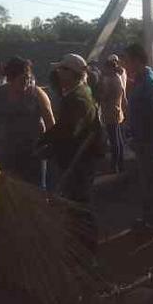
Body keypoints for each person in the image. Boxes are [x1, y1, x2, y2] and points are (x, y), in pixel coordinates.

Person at [39, 53, 102, 254]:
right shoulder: (82, 91)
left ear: (71, 73)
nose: (57, 73)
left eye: (61, 69)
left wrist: (46, 146)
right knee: (79, 202)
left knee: (78, 203)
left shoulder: (76, 98)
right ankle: (84, 243)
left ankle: (85, 246)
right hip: (83, 157)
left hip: (79, 161)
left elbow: (68, 132)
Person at [0, 57, 55, 186]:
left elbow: (51, 125)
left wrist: (49, 148)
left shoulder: (37, 94)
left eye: (29, 77)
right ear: (10, 78)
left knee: (36, 193)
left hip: (33, 154)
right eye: (23, 78)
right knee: (8, 191)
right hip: (4, 154)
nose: (27, 82)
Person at [123, 43, 153, 229]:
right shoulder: (143, 80)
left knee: (149, 180)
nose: (124, 64)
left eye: (126, 60)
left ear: (136, 60)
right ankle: (150, 217)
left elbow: (150, 117)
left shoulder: (149, 83)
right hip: (144, 140)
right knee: (146, 180)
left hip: (146, 141)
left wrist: (138, 138)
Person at [100, 58, 126, 174]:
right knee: (118, 138)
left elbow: (104, 96)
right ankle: (120, 163)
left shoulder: (110, 80)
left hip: (110, 112)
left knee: (114, 139)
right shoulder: (118, 78)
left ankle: (115, 165)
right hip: (117, 110)